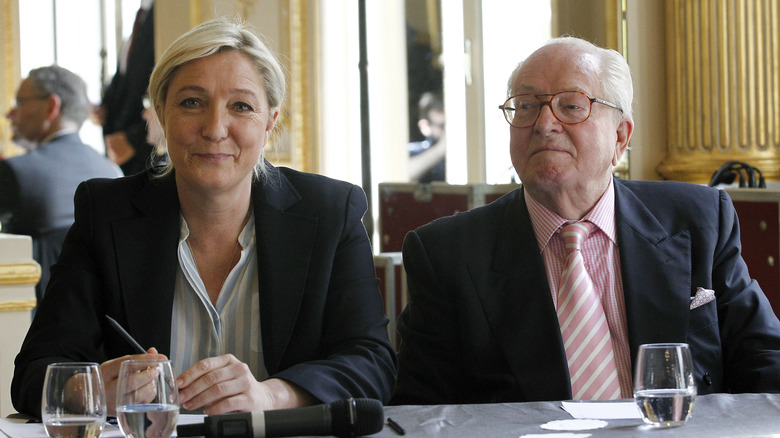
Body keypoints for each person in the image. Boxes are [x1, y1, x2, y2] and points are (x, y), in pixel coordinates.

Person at [12, 18, 397, 418]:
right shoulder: (105, 211)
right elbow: (34, 373)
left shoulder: (330, 210)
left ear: (270, 122)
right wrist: (89, 390)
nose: (214, 129)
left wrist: (272, 396)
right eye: (191, 102)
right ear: (160, 113)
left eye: (241, 106)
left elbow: (372, 364)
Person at [392, 36, 780, 405]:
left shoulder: (698, 219)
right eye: (526, 105)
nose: (544, 123)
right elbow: (423, 410)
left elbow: (766, 359)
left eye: (571, 106)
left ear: (620, 139)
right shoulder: (449, 253)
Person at [1, 65, 122, 303]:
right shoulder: (112, 171)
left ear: (51, 106)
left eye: (20, 101)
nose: (10, 114)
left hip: (32, 319)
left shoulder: (17, 171)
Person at [99, 0, 156, 175]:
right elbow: (125, 77)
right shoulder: (141, 14)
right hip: (119, 147)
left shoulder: (166, 13)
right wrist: (104, 107)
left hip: (144, 149)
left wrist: (135, 140)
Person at [407, 91, 445, 182]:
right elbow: (403, 175)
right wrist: (441, 148)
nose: (446, 132)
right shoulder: (413, 151)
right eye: (441, 126)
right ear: (424, 126)